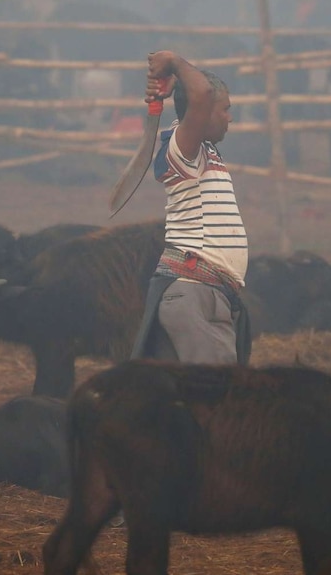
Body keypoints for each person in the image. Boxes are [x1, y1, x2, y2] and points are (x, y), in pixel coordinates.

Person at [131, 50, 251, 366]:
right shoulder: (183, 151)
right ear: (202, 113)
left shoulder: (205, 152)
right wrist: (175, 62)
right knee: (217, 396)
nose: (230, 117)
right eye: (224, 110)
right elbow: (202, 93)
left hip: (209, 295)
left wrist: (178, 81)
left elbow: (199, 94)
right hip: (194, 294)